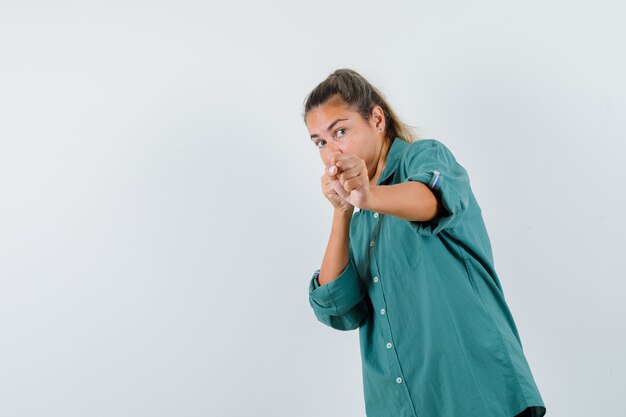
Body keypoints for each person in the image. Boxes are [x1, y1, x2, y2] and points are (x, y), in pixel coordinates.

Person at [303, 68, 547, 417]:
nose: (332, 153)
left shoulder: (426, 158)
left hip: (476, 392)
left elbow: (431, 201)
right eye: (320, 142)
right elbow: (337, 309)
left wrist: (367, 195)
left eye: (341, 131)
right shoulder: (358, 224)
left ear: (376, 119)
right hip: (400, 405)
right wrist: (342, 211)